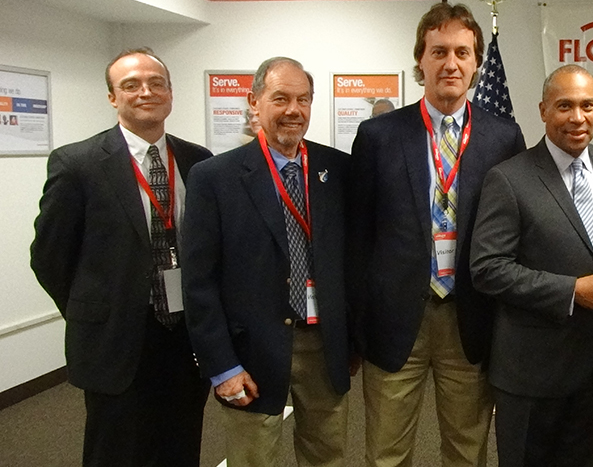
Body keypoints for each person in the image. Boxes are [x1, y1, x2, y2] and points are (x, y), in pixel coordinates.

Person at [348, 2, 526, 467]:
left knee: (467, 450)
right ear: (420, 59)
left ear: (475, 63)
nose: (451, 63)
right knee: (386, 452)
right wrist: (357, 321)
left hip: (469, 315)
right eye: (439, 51)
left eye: (463, 53)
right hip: (395, 317)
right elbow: (357, 236)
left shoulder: (503, 137)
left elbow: (515, 229)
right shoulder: (378, 135)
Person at [30, 47, 211, 467]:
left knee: (180, 444)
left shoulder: (197, 161)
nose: (145, 91)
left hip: (185, 338)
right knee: (115, 451)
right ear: (113, 97)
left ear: (170, 92)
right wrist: (92, 310)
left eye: (156, 83)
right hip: (116, 340)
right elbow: (49, 256)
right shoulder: (78, 164)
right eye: (131, 85)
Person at [181, 57, 353, 466]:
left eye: (303, 99)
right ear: (254, 103)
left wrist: (353, 339)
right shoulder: (213, 177)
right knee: (253, 459)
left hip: (323, 345)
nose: (294, 110)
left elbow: (352, 259)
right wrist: (222, 366)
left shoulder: (337, 169)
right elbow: (198, 281)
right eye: (281, 98)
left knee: (328, 457)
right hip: (251, 353)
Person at [470, 65, 593, 467]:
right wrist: (571, 291)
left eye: (588, 105)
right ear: (543, 110)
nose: (577, 117)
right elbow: (488, 267)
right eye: (564, 106)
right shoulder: (509, 178)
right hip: (531, 372)